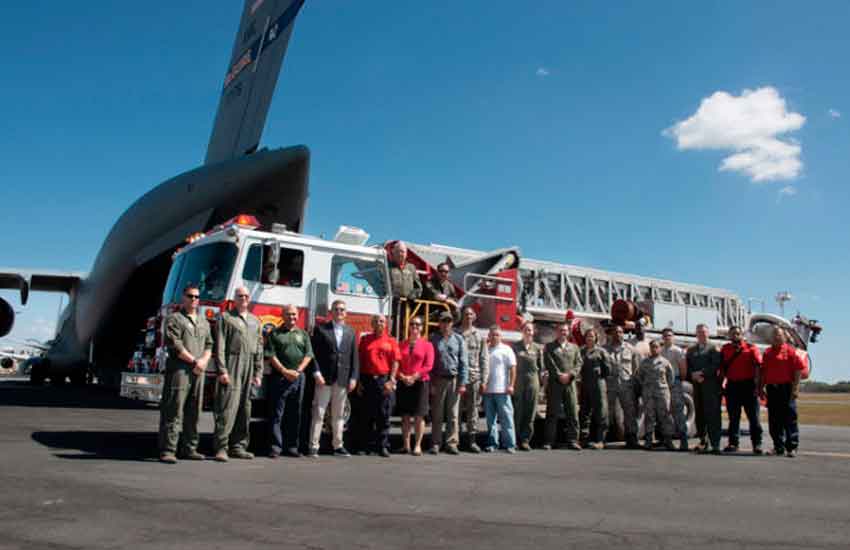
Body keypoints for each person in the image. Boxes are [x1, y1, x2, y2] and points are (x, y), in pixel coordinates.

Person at [158, 284, 213, 463]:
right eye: (190, 296)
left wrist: (204, 361)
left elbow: (209, 345)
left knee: (194, 411)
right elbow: (176, 345)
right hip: (180, 370)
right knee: (174, 409)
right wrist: (195, 361)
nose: (194, 300)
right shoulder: (175, 319)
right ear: (184, 298)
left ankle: (190, 448)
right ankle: (168, 450)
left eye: (197, 297)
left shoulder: (203, 321)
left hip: (199, 371)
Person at [212, 287, 264, 462]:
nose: (243, 298)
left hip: (249, 366)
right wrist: (222, 370)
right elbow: (220, 346)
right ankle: (221, 447)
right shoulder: (226, 318)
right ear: (234, 298)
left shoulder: (255, 321)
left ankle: (238, 446)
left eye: (246, 296)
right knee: (228, 407)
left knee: (245, 408)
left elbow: (259, 349)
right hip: (232, 363)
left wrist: (258, 372)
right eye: (240, 295)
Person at [308, 300, 359, 458]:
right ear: (331, 312)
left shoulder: (351, 332)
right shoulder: (321, 329)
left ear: (346, 313)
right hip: (324, 378)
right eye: (336, 309)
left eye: (342, 309)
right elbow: (313, 354)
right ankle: (313, 446)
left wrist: (353, 377)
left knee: (339, 415)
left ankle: (338, 446)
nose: (339, 312)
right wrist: (316, 373)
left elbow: (354, 357)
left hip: (342, 379)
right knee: (319, 413)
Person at [265, 304, 314, 458]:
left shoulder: (303, 334)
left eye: (294, 314)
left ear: (297, 316)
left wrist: (298, 371)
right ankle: (276, 447)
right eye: (288, 314)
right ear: (282, 316)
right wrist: (285, 371)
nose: (291, 317)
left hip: (298, 378)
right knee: (277, 414)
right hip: (279, 377)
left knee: (295, 414)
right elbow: (271, 355)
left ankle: (292, 447)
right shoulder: (275, 333)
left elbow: (308, 355)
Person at [355, 314, 400, 458]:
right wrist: (359, 381)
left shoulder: (391, 341)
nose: (379, 323)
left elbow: (395, 362)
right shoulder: (365, 340)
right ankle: (364, 446)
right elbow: (359, 361)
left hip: (383, 380)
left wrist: (391, 380)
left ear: (385, 324)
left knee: (383, 415)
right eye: (376, 321)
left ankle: (383, 446)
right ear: (372, 324)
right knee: (365, 415)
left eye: (381, 321)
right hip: (367, 379)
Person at [760, 328, 805, 457]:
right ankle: (778, 446)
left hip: (786, 388)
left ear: (784, 337)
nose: (776, 337)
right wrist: (760, 388)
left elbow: (798, 370)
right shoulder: (768, 353)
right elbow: (764, 372)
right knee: (774, 419)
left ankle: (791, 447)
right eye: (774, 335)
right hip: (772, 389)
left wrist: (795, 388)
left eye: (779, 335)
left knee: (789, 418)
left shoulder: (790, 351)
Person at [429, 311, 468, 455]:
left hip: (454, 380)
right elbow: (430, 363)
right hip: (438, 380)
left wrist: (463, 383)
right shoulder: (433, 339)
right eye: (443, 321)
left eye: (449, 321)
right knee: (437, 414)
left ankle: (452, 443)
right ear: (439, 323)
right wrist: (431, 383)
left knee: (453, 414)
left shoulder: (458, 339)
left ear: (452, 323)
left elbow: (464, 362)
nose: (446, 324)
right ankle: (435, 443)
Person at [721, 325, 764, 455]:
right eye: (733, 334)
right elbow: (722, 368)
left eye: (738, 333)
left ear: (742, 335)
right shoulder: (725, 349)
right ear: (729, 335)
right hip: (732, 386)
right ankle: (733, 443)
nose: (735, 336)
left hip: (748, 386)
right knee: (733, 418)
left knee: (754, 418)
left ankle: (757, 444)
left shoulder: (751, 348)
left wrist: (758, 387)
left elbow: (758, 367)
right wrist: (721, 384)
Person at [396, 317, 434, 456]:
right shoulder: (401, 344)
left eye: (417, 324)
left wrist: (414, 377)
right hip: (404, 382)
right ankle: (406, 445)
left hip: (420, 383)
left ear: (422, 327)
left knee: (419, 416)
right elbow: (396, 364)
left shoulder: (427, 345)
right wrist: (402, 376)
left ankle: (417, 445)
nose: (414, 326)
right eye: (412, 324)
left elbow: (428, 365)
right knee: (405, 416)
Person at [543, 322, 583, 450]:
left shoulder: (574, 348)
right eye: (561, 330)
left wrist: (571, 374)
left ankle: (573, 440)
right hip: (555, 384)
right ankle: (549, 441)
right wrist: (559, 375)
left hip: (570, 384)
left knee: (572, 413)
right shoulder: (549, 347)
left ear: (568, 332)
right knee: (552, 413)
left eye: (565, 330)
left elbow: (579, 363)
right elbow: (549, 362)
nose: (563, 333)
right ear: (556, 332)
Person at [686, 323, 723, 454]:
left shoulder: (714, 349)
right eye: (699, 332)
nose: (701, 334)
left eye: (704, 332)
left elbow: (715, 365)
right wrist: (692, 374)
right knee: (700, 415)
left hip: (710, 386)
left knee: (713, 415)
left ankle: (716, 444)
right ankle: (703, 441)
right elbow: (688, 365)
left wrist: (702, 373)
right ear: (696, 334)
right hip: (697, 386)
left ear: (708, 333)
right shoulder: (691, 350)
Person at [603, 325, 641, 449]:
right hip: (610, 385)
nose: (618, 334)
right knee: (606, 411)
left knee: (629, 412)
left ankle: (632, 438)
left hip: (626, 385)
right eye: (615, 332)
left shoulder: (631, 349)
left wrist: (634, 384)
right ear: (611, 334)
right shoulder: (604, 350)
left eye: (620, 332)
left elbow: (636, 369)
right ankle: (602, 437)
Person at [481, 325, 517, 453]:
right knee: (491, 421)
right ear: (489, 336)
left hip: (502, 390)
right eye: (492, 334)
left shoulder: (506, 349)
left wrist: (511, 385)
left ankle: (510, 444)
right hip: (488, 391)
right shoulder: (485, 349)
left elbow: (513, 368)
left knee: (506, 419)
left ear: (501, 336)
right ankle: (492, 443)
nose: (494, 336)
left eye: (497, 334)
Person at [635, 340, 675, 451]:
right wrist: (645, 386)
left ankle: (668, 440)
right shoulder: (644, 362)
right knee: (649, 417)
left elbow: (670, 379)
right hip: (648, 394)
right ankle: (648, 441)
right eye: (652, 347)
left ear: (660, 348)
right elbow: (639, 376)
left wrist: (664, 387)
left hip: (662, 393)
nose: (654, 349)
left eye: (656, 347)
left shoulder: (665, 363)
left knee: (665, 416)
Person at [459, 306, 488, 453]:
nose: (468, 316)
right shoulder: (456, 334)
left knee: (473, 411)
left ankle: (472, 441)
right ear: (462, 316)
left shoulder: (479, 336)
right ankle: (454, 440)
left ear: (474, 317)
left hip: (474, 378)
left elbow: (484, 359)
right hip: (458, 379)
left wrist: (484, 380)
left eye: (471, 314)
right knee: (455, 411)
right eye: (466, 314)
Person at [512, 321, 543, 451]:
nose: (528, 332)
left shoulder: (537, 348)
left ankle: (525, 440)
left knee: (530, 411)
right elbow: (511, 366)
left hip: (533, 381)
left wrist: (542, 388)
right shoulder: (516, 347)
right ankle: (515, 438)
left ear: (533, 332)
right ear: (522, 331)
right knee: (517, 410)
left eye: (530, 330)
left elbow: (541, 368)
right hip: (519, 381)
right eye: (526, 329)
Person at [579, 328, 609, 450]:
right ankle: (584, 439)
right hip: (585, 384)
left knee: (600, 412)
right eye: (587, 336)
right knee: (584, 412)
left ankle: (600, 440)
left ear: (596, 338)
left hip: (598, 384)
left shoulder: (601, 352)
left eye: (592, 336)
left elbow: (607, 369)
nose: (589, 338)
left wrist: (600, 377)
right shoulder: (582, 351)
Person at [660, 328, 689, 451]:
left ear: (673, 337)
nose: (667, 337)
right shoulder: (661, 351)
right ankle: (668, 440)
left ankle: (683, 440)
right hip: (663, 383)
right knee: (665, 411)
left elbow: (683, 369)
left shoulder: (678, 351)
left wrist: (678, 381)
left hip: (675, 382)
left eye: (670, 335)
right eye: (665, 336)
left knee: (678, 411)